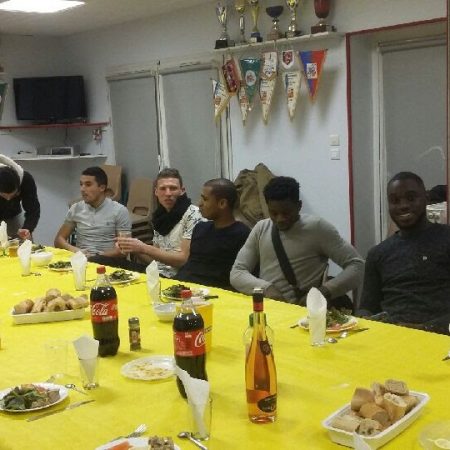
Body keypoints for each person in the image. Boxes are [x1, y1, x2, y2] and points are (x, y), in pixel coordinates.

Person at [230, 176, 364, 305]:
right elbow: (237, 273)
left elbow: (357, 266)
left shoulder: (317, 228)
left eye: (286, 213)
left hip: (305, 311)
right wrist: (266, 288)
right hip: (271, 310)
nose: (280, 219)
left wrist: (325, 291)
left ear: (299, 206)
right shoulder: (261, 229)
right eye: (274, 213)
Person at [358, 172, 450, 334]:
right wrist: (364, 319)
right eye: (395, 201)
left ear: (426, 199)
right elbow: (367, 307)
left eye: (411, 198)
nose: (403, 206)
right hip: (389, 335)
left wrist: (425, 328)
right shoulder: (378, 254)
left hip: (438, 337)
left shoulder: (446, 239)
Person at [117, 168, 203, 277]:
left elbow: (183, 260)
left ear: (182, 191)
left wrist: (143, 247)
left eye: (173, 188)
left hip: (179, 276)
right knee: (108, 262)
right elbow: (155, 259)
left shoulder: (193, 214)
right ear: (156, 192)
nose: (168, 193)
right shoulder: (160, 216)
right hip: (157, 272)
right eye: (163, 189)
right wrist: (133, 248)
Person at [175, 178, 250, 289]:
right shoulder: (200, 228)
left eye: (205, 199)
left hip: (211, 292)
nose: (199, 204)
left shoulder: (241, 234)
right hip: (182, 285)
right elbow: (191, 265)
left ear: (222, 203)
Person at [54, 166, 131, 264]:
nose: (82, 189)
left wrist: (96, 257)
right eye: (81, 184)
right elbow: (59, 240)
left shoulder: (119, 211)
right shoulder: (76, 208)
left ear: (102, 187)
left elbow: (124, 250)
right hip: (82, 260)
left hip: (108, 262)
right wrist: (75, 250)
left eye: (88, 185)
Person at [0, 154, 40, 240]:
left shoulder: (26, 180)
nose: (8, 199)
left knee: (25, 243)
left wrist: (27, 228)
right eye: (4, 196)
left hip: (13, 216)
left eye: (13, 195)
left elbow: (33, 210)